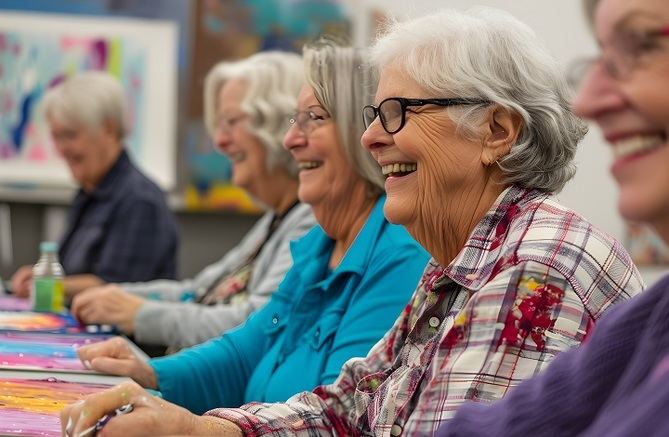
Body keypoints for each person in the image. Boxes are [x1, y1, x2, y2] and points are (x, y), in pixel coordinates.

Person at [61, 9, 646, 437]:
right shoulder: (469, 255)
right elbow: (353, 404)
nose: (370, 137)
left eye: (398, 112)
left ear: (496, 131)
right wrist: (196, 430)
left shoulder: (534, 265)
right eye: (371, 114)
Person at [60, 41, 430, 436]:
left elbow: (339, 418)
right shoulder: (319, 245)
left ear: (366, 133)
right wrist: (150, 372)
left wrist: (194, 429)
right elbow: (245, 350)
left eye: (314, 118)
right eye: (293, 119)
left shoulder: (396, 253)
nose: (290, 140)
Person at [437, 0, 669, 435]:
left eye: (640, 47)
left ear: (497, 132)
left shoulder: (543, 259)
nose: (585, 101)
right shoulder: (656, 317)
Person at [69, 52, 317, 350]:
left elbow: (259, 322)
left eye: (232, 122)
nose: (220, 141)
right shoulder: (277, 219)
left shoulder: (308, 219)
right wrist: (114, 297)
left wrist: (139, 314)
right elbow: (198, 291)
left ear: (277, 125)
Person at [10, 71, 178, 297]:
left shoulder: (140, 200)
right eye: (56, 137)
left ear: (108, 129)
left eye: (70, 135)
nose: (62, 149)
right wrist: (43, 276)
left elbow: (118, 289)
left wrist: (45, 284)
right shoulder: (89, 191)